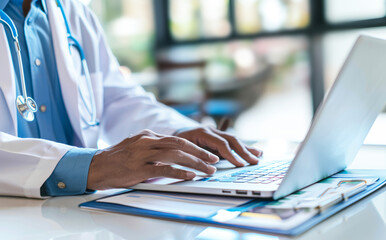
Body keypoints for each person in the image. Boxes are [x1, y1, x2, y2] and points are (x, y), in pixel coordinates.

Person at [0, 0, 262, 198]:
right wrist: (89, 166)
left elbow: (116, 97)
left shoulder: (71, 11)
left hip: (74, 213)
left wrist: (177, 134)